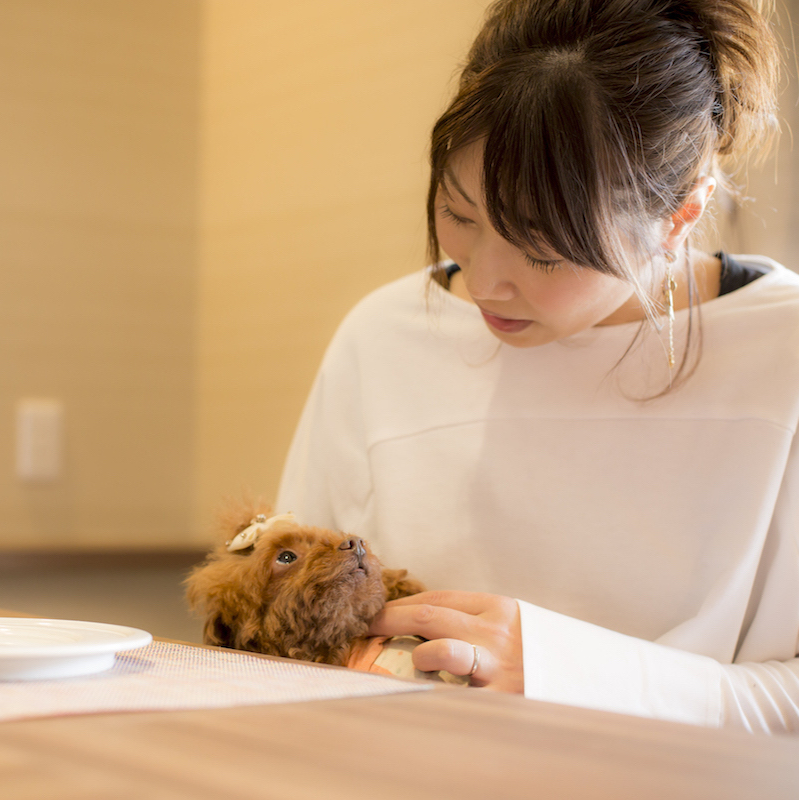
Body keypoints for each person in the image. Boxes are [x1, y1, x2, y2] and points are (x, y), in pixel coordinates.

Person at [276, 0, 799, 733]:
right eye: (461, 216)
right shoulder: (382, 335)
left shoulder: (783, 350)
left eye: (544, 250)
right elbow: (289, 619)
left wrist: (562, 669)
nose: (485, 281)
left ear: (681, 214)